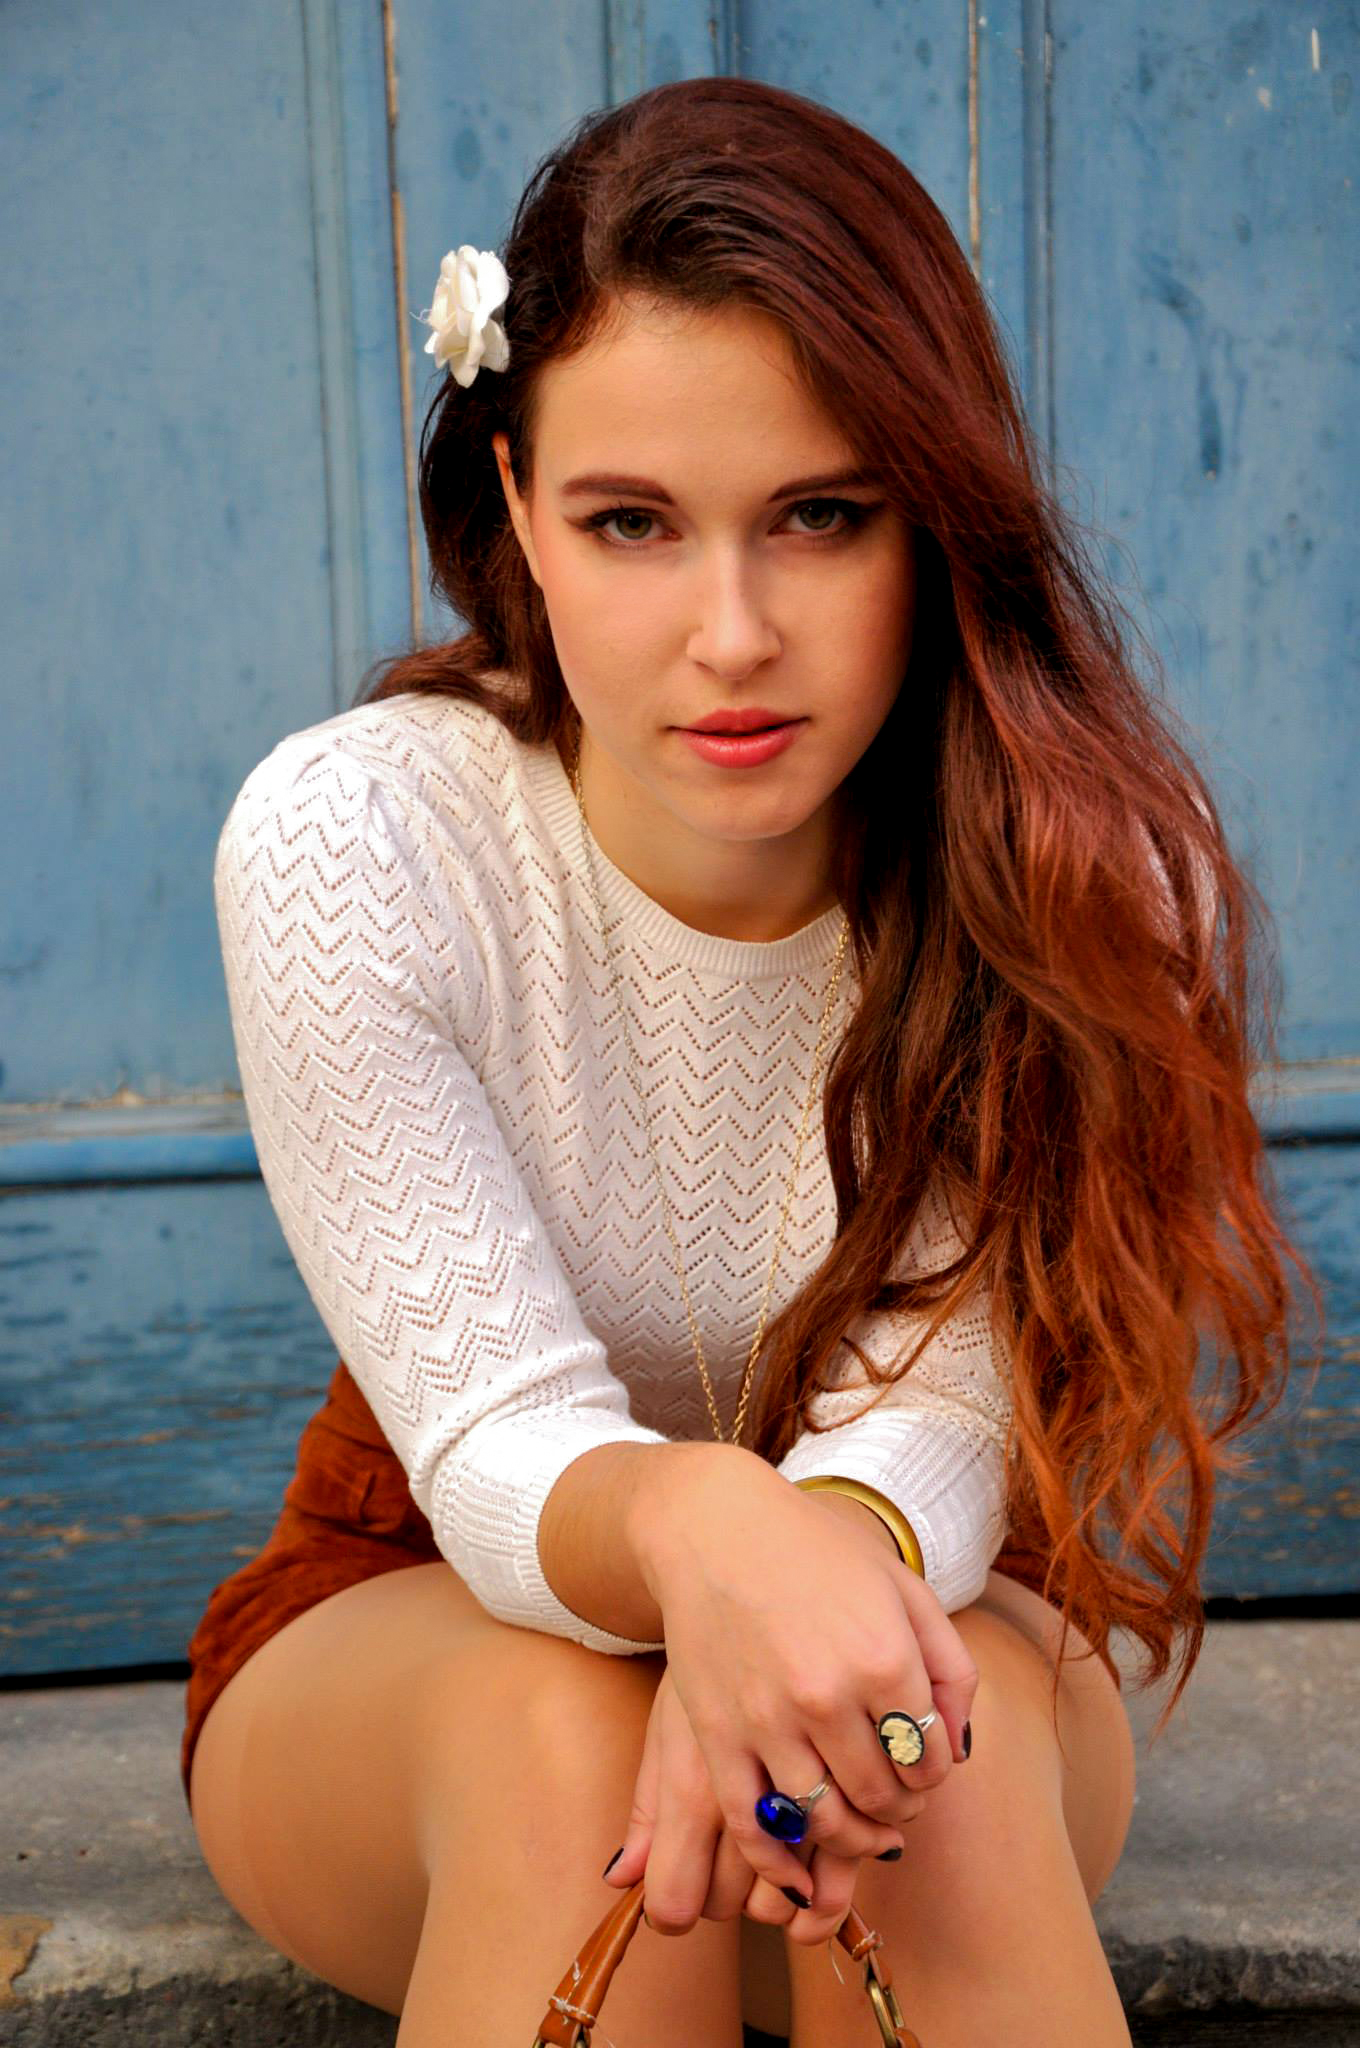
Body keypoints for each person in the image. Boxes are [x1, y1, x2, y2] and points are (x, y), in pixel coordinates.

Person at [180, 74, 1318, 2048]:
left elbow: (937, 1423)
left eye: (820, 516)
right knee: (564, 1749)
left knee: (919, 1753)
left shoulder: (1071, 868)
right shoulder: (363, 842)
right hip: (422, 1619)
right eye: (630, 522)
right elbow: (490, 1439)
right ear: (516, 508)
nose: (730, 634)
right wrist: (697, 1531)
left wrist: (794, 1597)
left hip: (928, 1593)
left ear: (933, 518)